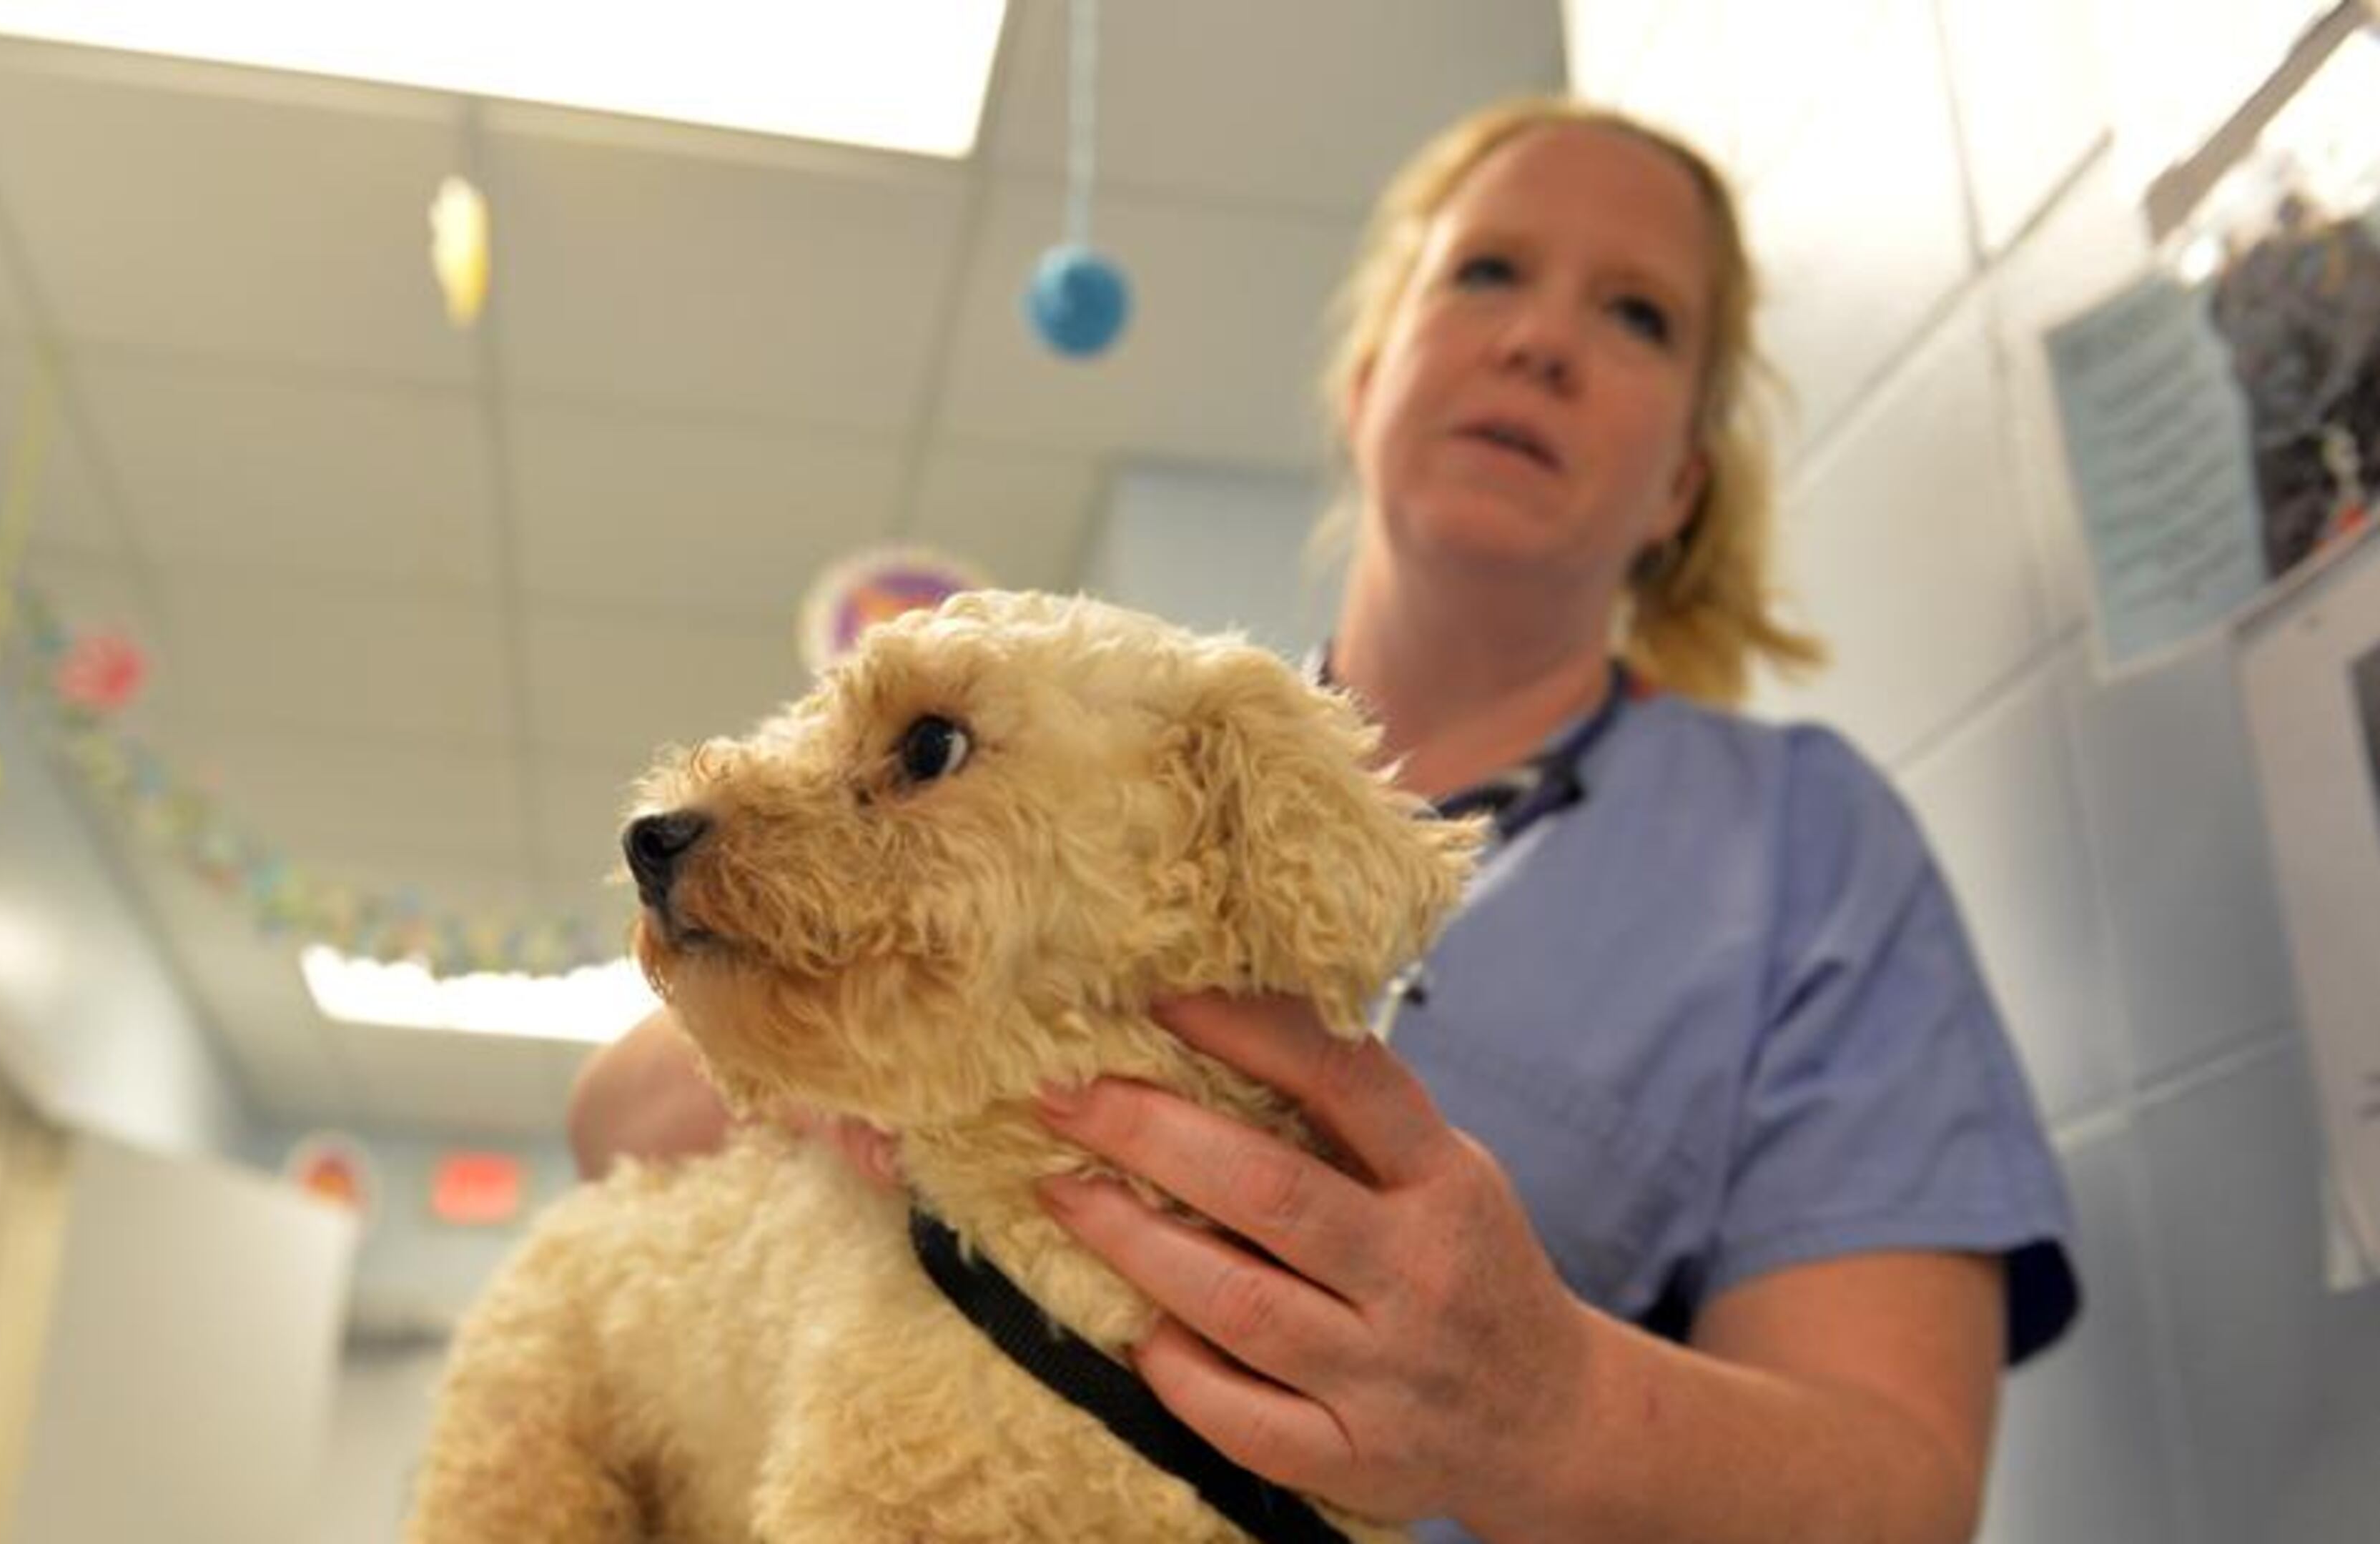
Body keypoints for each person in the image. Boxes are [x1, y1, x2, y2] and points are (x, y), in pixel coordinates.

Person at [566, 97, 2079, 1543]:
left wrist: (1550, 1414)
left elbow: (1905, 1491)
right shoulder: (1098, 754)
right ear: (1368, 378)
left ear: (1681, 483)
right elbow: (612, 1123)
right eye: (1486, 271)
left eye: (1637, 317)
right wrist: (849, 1037)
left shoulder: (1803, 849)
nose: (1543, 338)